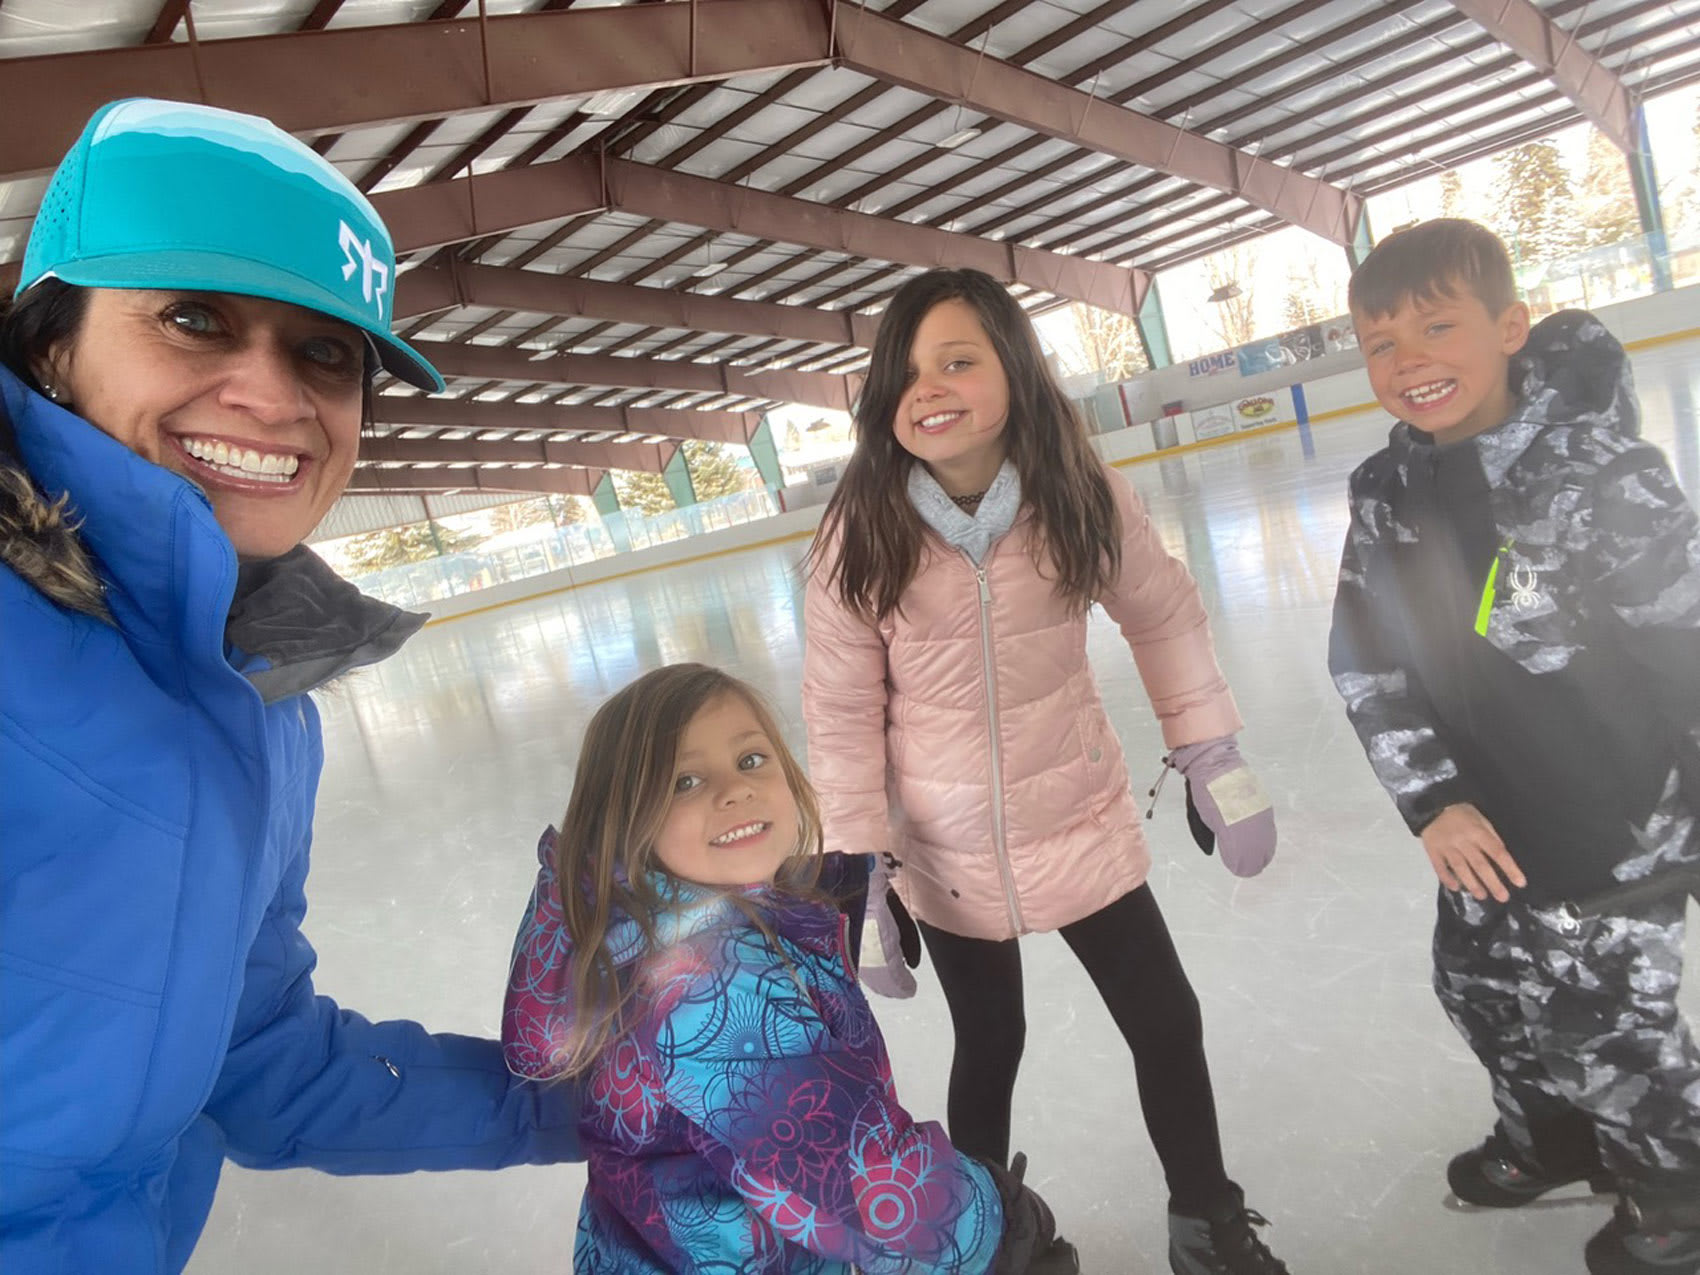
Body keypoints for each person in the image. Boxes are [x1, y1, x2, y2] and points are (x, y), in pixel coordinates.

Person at [0, 99, 584, 1273]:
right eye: (192, 318)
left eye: (325, 350)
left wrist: (603, 1104)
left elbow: (253, 1058)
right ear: (51, 346)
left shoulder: (265, 710)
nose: (272, 397)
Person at [800, 267, 1289, 1275]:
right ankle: (976, 1240)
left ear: (1015, 372)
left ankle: (1207, 1223)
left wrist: (1207, 750)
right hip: (946, 851)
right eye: (904, 373)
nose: (928, 388)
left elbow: (1161, 614)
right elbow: (840, 716)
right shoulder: (860, 537)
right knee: (990, 1044)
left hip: (1076, 818)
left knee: (1165, 1018)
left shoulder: (1077, 497)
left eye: (957, 360)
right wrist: (859, 870)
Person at [1327, 218, 1700, 1275]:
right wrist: (1430, 799)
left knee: (1608, 1032)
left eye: (1436, 327)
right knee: (1479, 990)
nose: (1407, 363)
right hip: (1484, 821)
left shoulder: (1602, 474)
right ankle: (1553, 1141)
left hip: (1616, 817)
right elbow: (1364, 658)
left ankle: (1676, 1197)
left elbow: (1686, 641)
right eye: (1380, 344)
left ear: (1507, 328)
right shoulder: (1383, 492)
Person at [501, 662, 1079, 1273]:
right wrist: (1002, 1223)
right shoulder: (715, 995)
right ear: (623, 825)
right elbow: (856, 1186)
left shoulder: (638, 933)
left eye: (751, 761)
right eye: (685, 780)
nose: (734, 789)